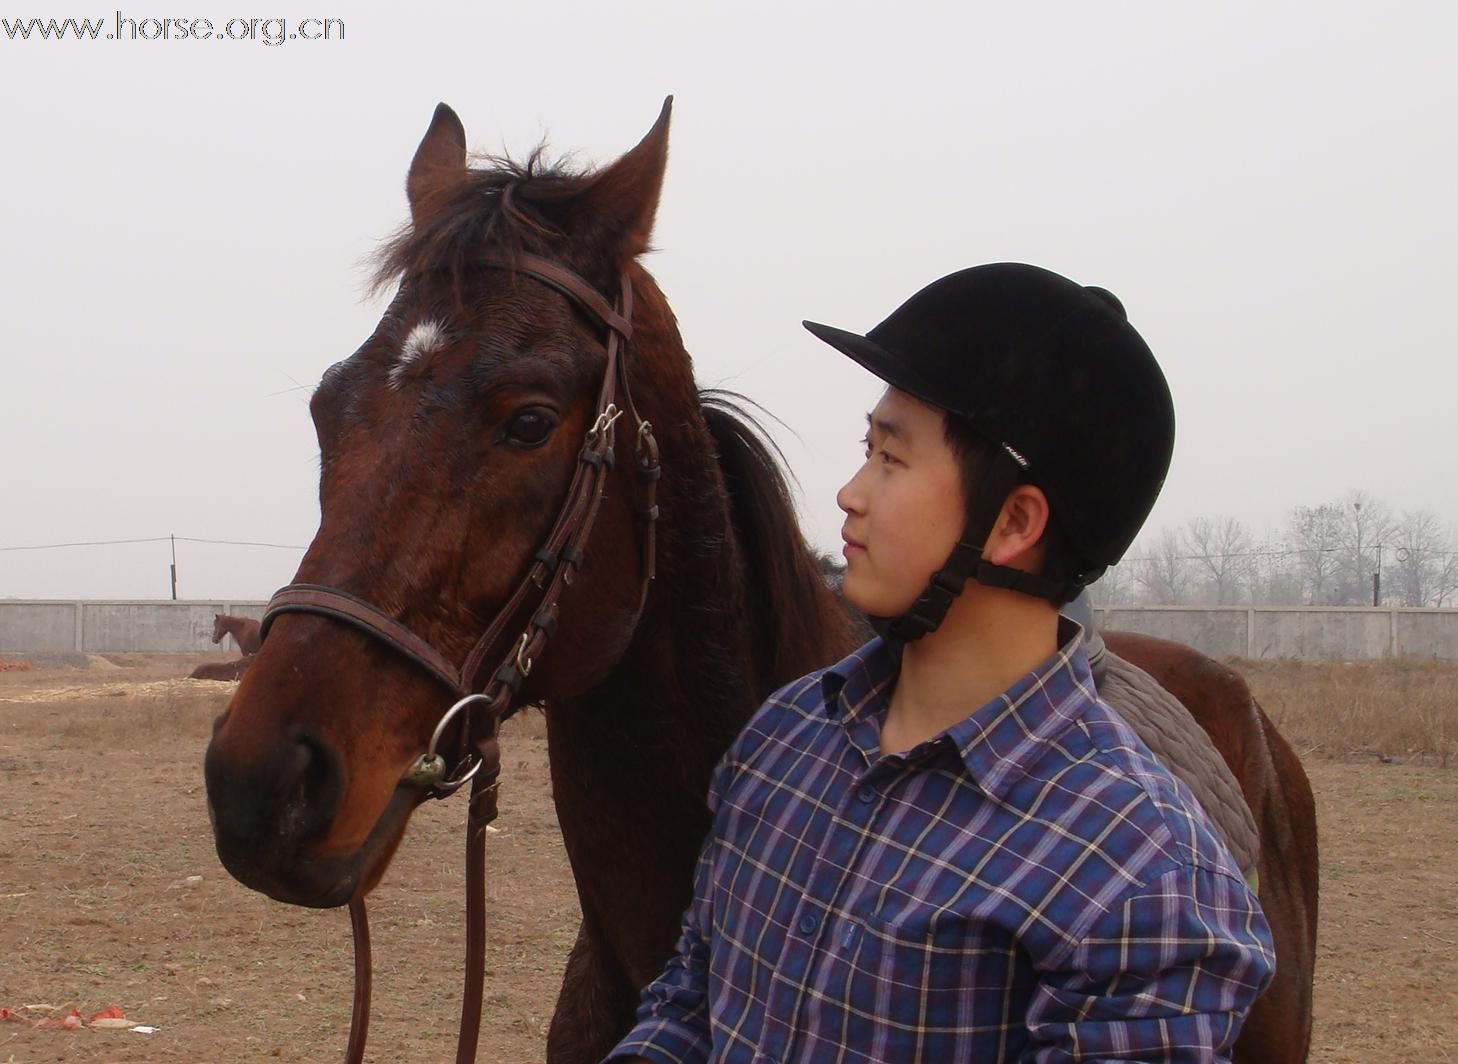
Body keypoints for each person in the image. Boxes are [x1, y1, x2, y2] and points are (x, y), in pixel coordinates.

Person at [606, 263, 1275, 1063]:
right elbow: (693, 1000)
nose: (850, 493)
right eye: (866, 448)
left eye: (890, 458)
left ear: (1012, 524)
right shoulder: (780, 743)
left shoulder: (1139, 875)